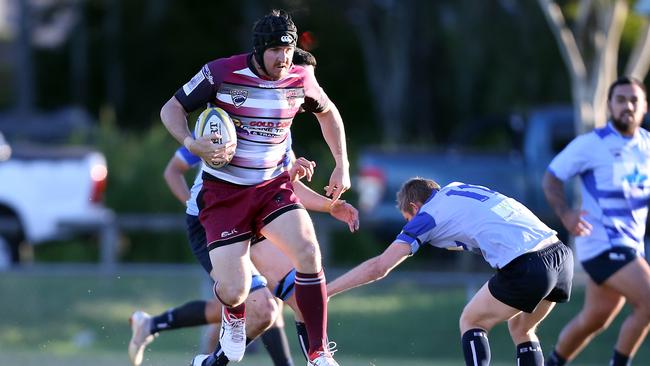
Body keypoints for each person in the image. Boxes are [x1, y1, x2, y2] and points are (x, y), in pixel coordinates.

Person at [160, 9, 349, 365]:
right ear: (259, 49)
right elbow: (171, 108)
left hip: (272, 189)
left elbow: (328, 112)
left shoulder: (301, 77)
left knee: (308, 252)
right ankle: (232, 316)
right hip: (224, 195)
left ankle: (319, 352)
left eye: (289, 50)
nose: (284, 58)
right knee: (235, 291)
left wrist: (342, 163)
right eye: (276, 50)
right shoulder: (221, 73)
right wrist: (190, 141)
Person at [129, 47, 328, 366]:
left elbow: (280, 186)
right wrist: (203, 211)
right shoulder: (226, 124)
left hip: (259, 221)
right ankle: (168, 331)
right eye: (304, 82)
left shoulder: (279, 130)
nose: (307, 91)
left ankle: (315, 356)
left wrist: (329, 204)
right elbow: (176, 166)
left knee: (283, 300)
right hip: (220, 219)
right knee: (258, 305)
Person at [327, 178, 574, 366]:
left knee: (471, 320)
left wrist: (327, 290)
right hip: (560, 255)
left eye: (408, 218)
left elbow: (379, 267)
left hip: (528, 262)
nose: (410, 225)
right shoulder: (456, 189)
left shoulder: (426, 216)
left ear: (415, 207)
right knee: (522, 329)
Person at [542, 76, 650, 366]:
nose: (627, 105)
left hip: (631, 247)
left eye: (634, 100)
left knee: (594, 319)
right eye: (620, 100)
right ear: (609, 106)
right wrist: (565, 213)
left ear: (644, 107)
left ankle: (553, 363)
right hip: (602, 243)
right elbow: (551, 178)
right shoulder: (592, 144)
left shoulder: (647, 146)